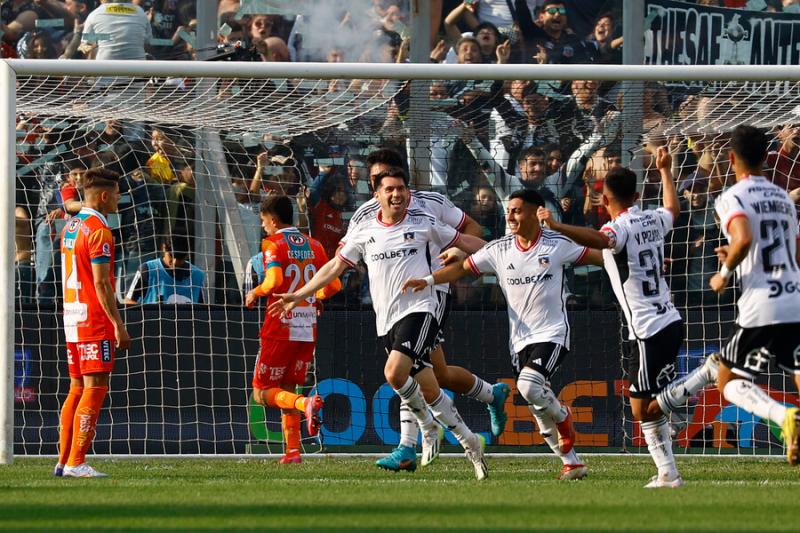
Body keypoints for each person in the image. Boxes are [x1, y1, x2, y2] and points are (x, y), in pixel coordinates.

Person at [270, 167, 490, 480]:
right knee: (427, 387)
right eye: (389, 189)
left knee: (393, 373)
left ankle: (428, 428)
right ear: (378, 195)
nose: (396, 194)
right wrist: (300, 294)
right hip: (386, 319)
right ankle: (469, 441)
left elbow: (466, 241)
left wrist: (499, 251)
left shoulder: (424, 222)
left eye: (401, 189)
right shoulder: (364, 229)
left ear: (407, 192)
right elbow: (335, 266)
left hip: (421, 307)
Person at [538, 149, 719, 488]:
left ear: (604, 198)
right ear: (636, 196)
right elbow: (672, 209)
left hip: (649, 329)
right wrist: (666, 171)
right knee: (649, 403)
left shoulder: (616, 228)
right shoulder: (652, 218)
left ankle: (705, 375)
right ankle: (668, 473)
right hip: (670, 320)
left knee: (643, 409)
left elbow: (604, 240)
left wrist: (556, 225)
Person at [404, 189, 602, 480]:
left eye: (517, 210)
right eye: (508, 210)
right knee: (535, 405)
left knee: (529, 386)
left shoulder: (557, 245)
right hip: (519, 340)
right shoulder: (499, 249)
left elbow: (599, 256)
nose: (510, 216)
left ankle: (563, 417)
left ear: (536, 213)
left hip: (553, 333)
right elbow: (461, 270)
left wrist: (628, 265)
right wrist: (429, 279)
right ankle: (572, 462)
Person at [351, 148, 509, 473]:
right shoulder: (365, 215)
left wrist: (453, 251)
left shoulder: (430, 203)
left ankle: (409, 445)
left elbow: (473, 232)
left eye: (389, 179)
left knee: (404, 367)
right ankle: (492, 395)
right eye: (376, 181)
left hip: (432, 292)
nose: (385, 188)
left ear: (401, 178)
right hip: (395, 300)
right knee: (438, 373)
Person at [709, 125, 800, 466]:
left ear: (731, 158)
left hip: (761, 304)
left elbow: (744, 238)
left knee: (727, 378)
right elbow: (795, 252)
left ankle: (784, 417)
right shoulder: (783, 198)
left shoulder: (733, 196)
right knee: (795, 369)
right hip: (794, 295)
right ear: (767, 157)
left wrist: (724, 274)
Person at [245, 195, 342, 464]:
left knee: (262, 393)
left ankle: (305, 404)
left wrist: (255, 291)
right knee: (288, 386)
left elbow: (274, 280)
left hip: (279, 325)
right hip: (307, 328)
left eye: (264, 222)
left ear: (274, 220)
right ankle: (292, 451)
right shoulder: (315, 245)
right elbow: (334, 286)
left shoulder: (272, 243)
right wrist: (316, 298)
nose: (264, 228)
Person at [55, 167, 131, 478]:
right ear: (103, 196)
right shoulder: (100, 231)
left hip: (72, 318)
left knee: (76, 388)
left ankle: (63, 460)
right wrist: (118, 324)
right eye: (115, 194)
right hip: (93, 320)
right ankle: (76, 462)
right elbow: (101, 284)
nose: (118, 199)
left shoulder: (71, 226)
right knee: (95, 387)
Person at [124, 235, 206, 305]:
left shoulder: (197, 276)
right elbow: (128, 301)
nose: (174, 262)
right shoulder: (147, 270)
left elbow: (202, 311)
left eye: (180, 258)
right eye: (171, 255)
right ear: (164, 248)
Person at [80, 0, 152, 60]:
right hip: (138, 71)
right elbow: (147, 43)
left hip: (104, 71)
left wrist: (104, 38)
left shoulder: (95, 14)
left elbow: (85, 47)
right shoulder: (141, 13)